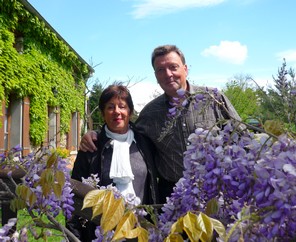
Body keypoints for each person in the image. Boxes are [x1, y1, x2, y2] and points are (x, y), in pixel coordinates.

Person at [79, 45, 242, 204]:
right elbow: (122, 128)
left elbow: (242, 138)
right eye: (161, 70)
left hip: (217, 192)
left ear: (185, 69)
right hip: (174, 197)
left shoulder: (213, 99)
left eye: (173, 67)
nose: (168, 74)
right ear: (156, 75)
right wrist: (95, 134)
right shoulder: (150, 113)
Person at [67, 83, 159, 242]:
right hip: (99, 231)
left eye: (122, 106)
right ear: (103, 113)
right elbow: (74, 193)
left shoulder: (145, 144)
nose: (117, 111)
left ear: (129, 111)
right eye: (110, 107)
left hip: (140, 228)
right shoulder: (91, 147)